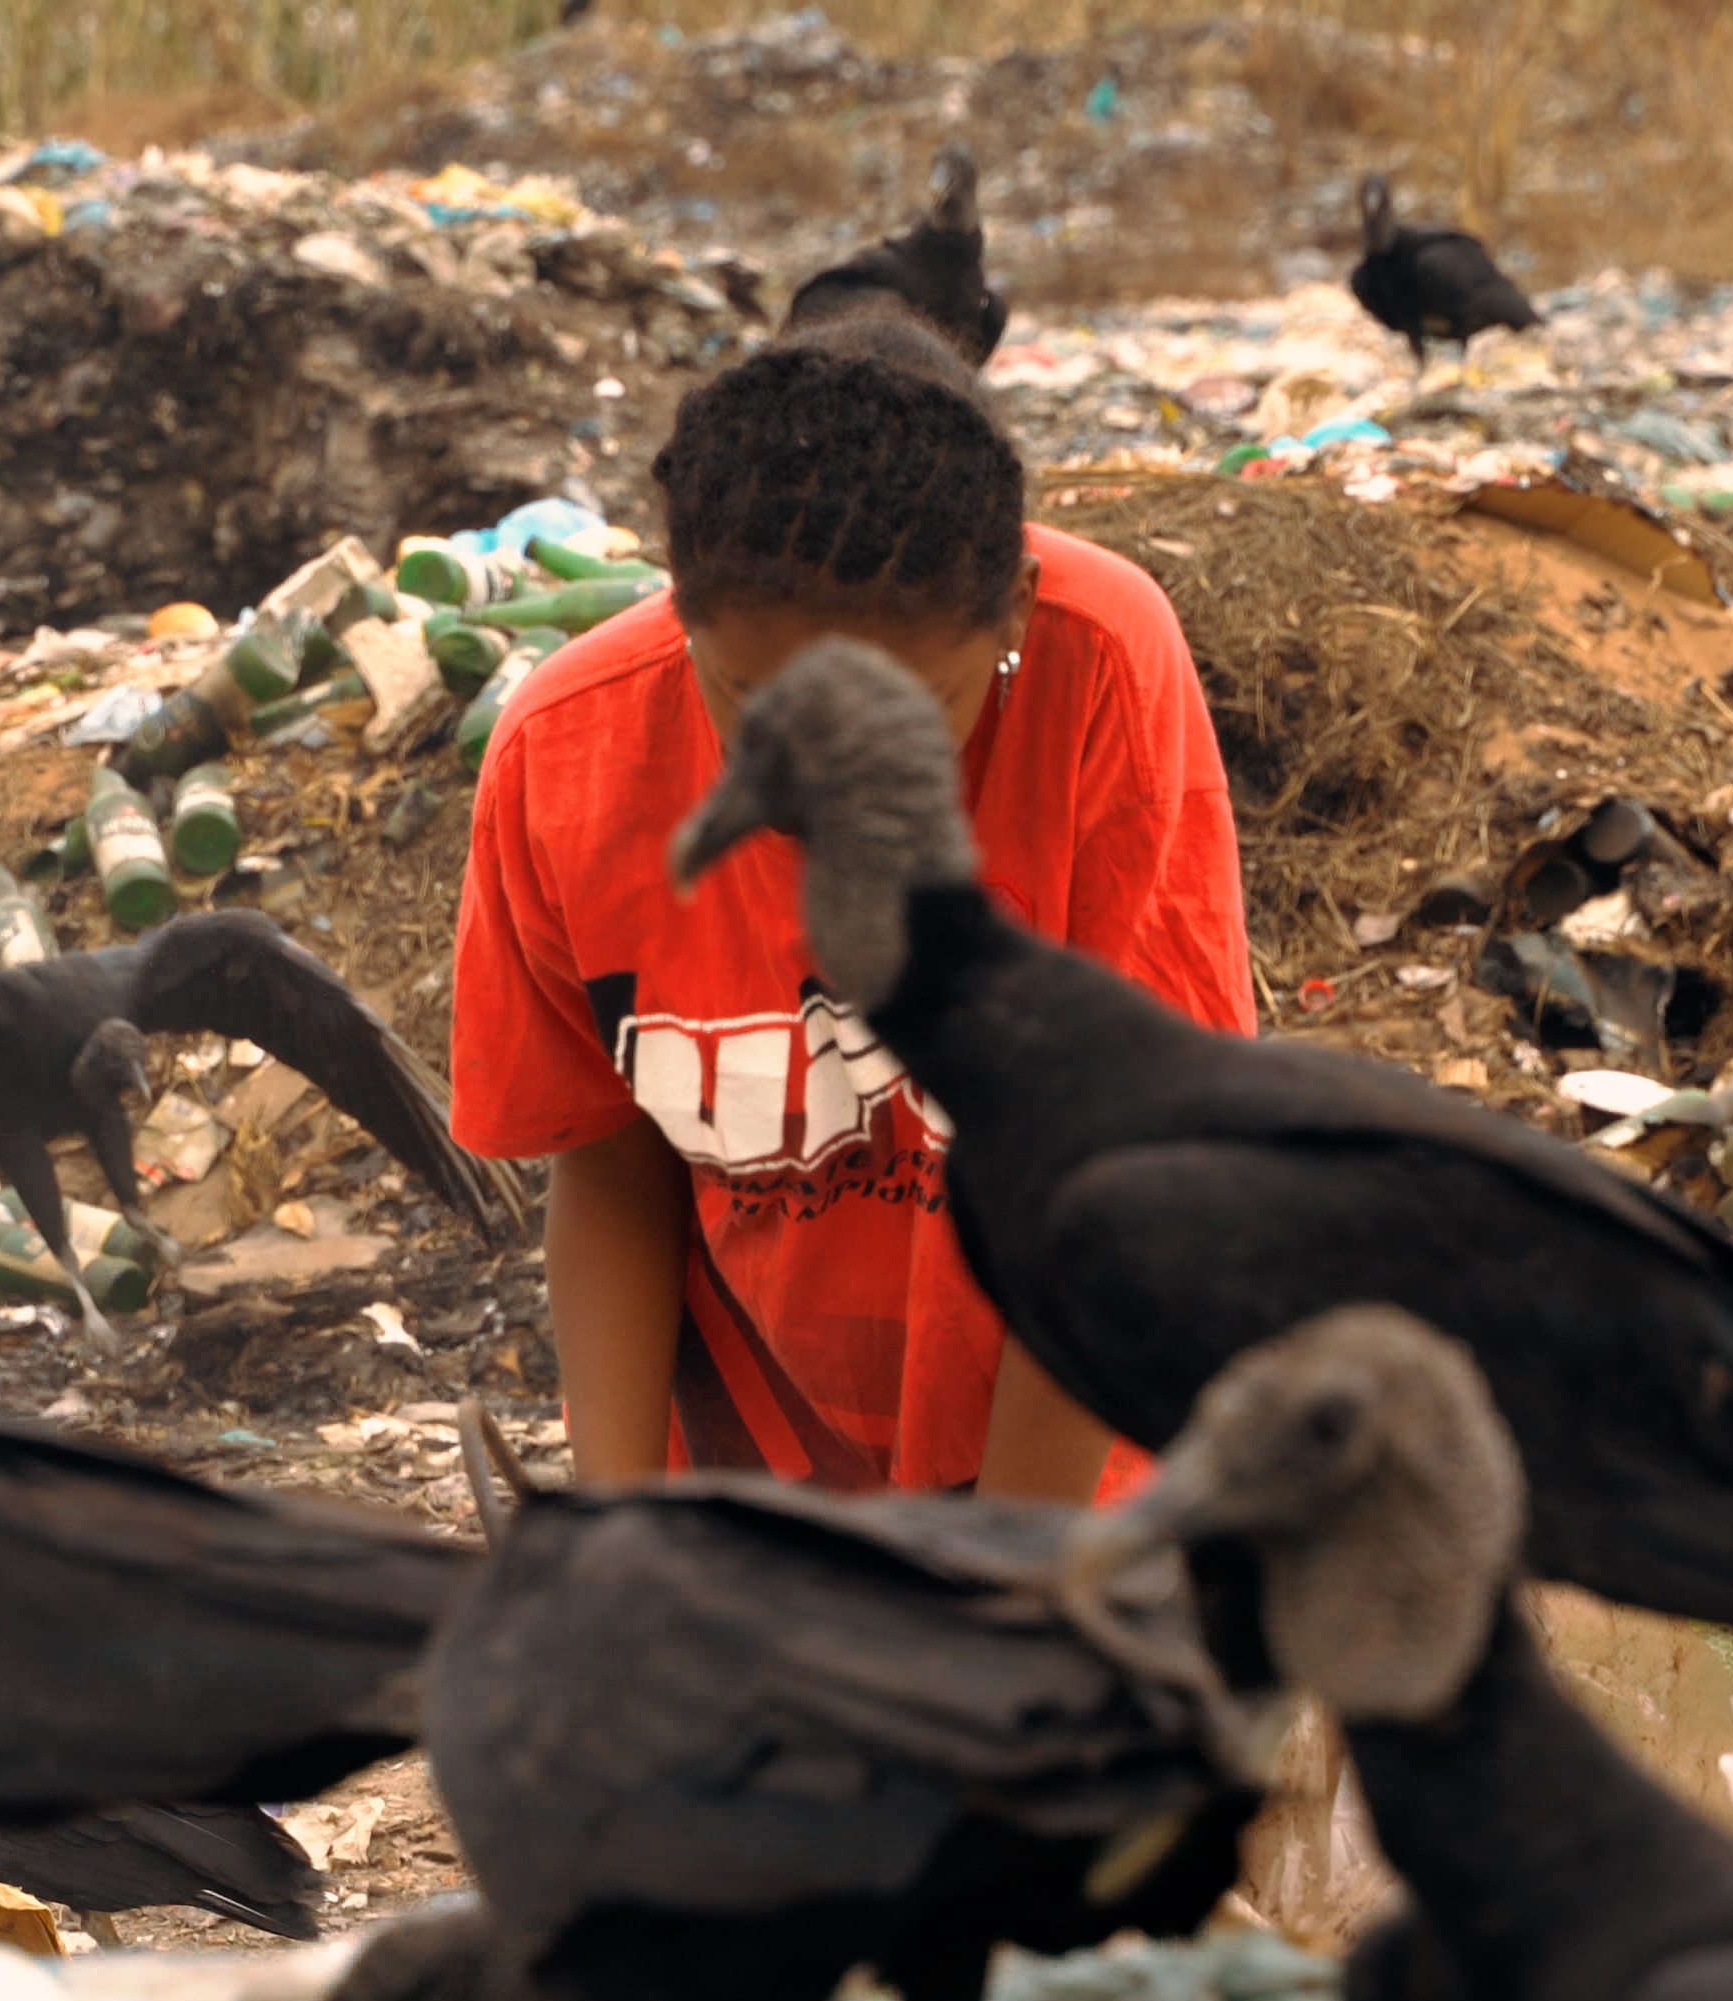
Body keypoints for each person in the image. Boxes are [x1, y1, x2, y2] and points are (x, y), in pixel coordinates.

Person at [449, 310, 1253, 1501]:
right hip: (764, 1462)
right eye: (756, 703)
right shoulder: (565, 761)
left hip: (1080, 1437)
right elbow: (611, 1168)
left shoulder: (1100, 673)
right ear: (678, 613)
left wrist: (1009, 1598)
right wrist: (613, 1537)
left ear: (1015, 616)